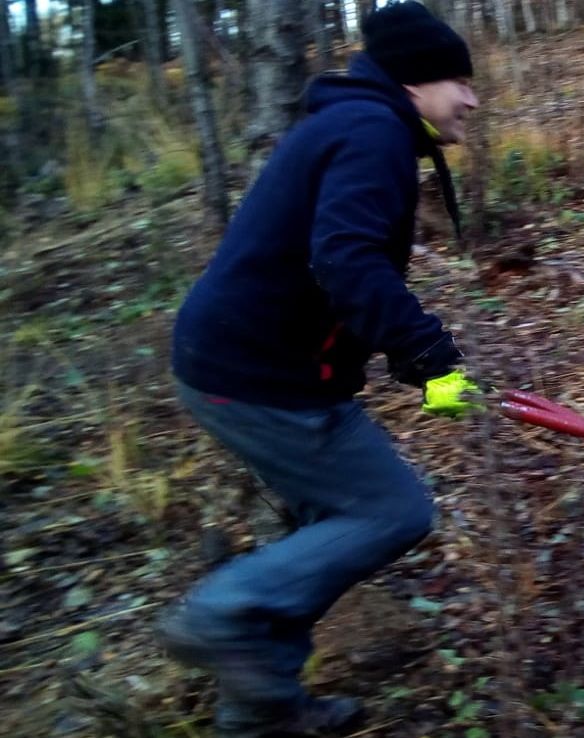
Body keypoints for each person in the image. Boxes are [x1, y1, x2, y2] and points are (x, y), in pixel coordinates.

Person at [159, 3, 483, 735]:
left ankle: (258, 710)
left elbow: (337, 261)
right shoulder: (372, 132)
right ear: (413, 83)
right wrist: (429, 356)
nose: (470, 99)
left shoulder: (357, 124)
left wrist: (406, 353)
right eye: (458, 81)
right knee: (392, 510)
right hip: (254, 373)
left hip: (249, 362)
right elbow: (345, 258)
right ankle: (221, 615)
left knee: (326, 527)